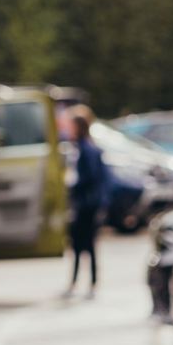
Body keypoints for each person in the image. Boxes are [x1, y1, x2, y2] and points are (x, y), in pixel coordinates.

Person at [66, 105, 107, 297]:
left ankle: (84, 282)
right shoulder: (87, 148)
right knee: (85, 246)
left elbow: (89, 178)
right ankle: (83, 282)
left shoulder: (86, 150)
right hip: (90, 204)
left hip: (86, 205)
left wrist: (73, 186)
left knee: (83, 245)